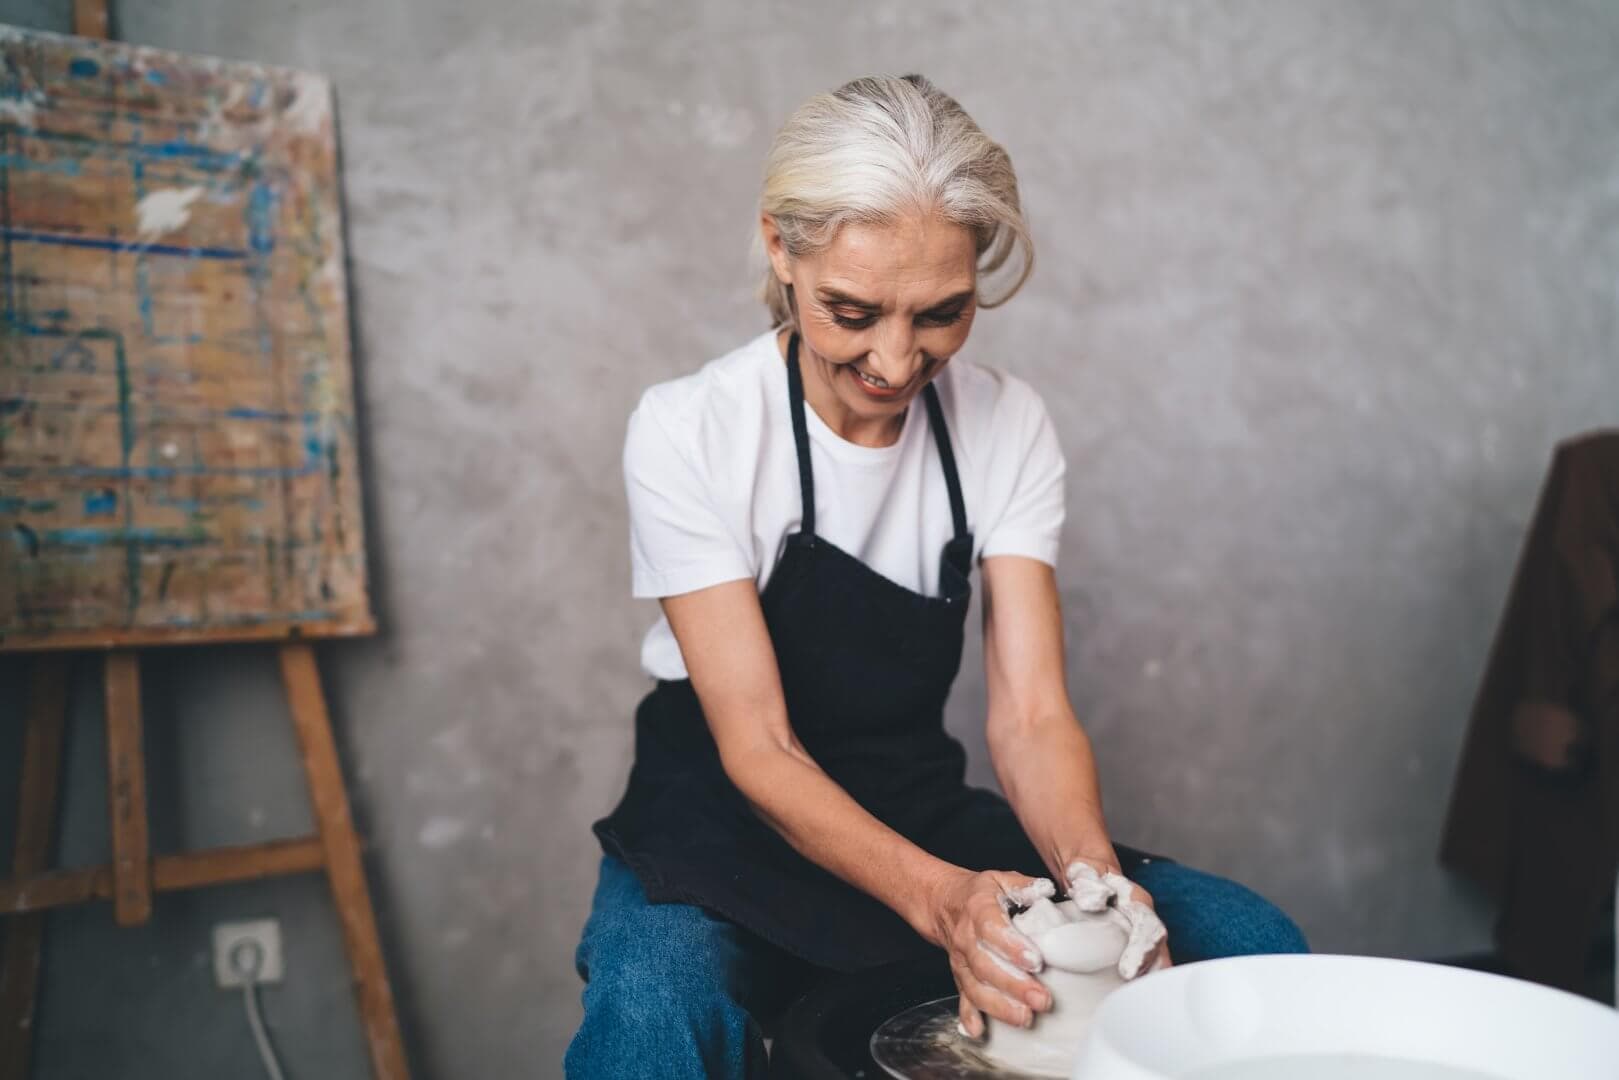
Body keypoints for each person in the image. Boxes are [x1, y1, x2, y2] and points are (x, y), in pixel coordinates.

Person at [567, 74, 1307, 1079]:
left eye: (939, 314)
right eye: (851, 311)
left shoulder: (1005, 425)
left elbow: (1031, 716)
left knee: (1246, 939)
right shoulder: (691, 429)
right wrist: (942, 901)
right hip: (720, 815)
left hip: (911, 798)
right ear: (779, 250)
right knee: (650, 1011)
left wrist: (1095, 887)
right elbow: (761, 745)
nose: (893, 359)